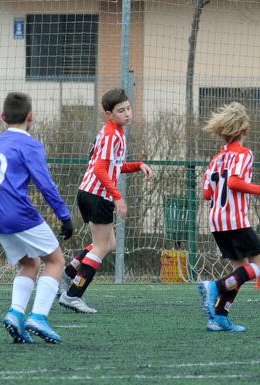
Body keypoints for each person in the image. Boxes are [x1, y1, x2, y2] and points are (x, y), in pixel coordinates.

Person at [0, 92, 73, 344]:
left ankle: (15, 313)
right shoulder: (30, 145)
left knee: (30, 264)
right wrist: (64, 216)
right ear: (30, 117)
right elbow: (45, 184)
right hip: (18, 212)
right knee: (56, 260)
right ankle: (38, 317)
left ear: (3, 117)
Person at [58, 88, 152, 313]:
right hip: (97, 195)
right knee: (101, 246)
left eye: (128, 108)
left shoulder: (115, 132)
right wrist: (118, 197)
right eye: (121, 111)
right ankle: (73, 294)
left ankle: (67, 276)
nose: (127, 113)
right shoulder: (112, 134)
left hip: (90, 193)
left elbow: (114, 166)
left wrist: (138, 165)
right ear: (109, 114)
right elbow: (101, 169)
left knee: (108, 244)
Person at [197, 102, 260, 332]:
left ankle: (219, 316)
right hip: (235, 220)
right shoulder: (245, 154)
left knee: (240, 271)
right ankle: (216, 287)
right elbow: (235, 182)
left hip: (216, 222)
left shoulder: (217, 159)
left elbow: (206, 193)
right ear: (245, 131)